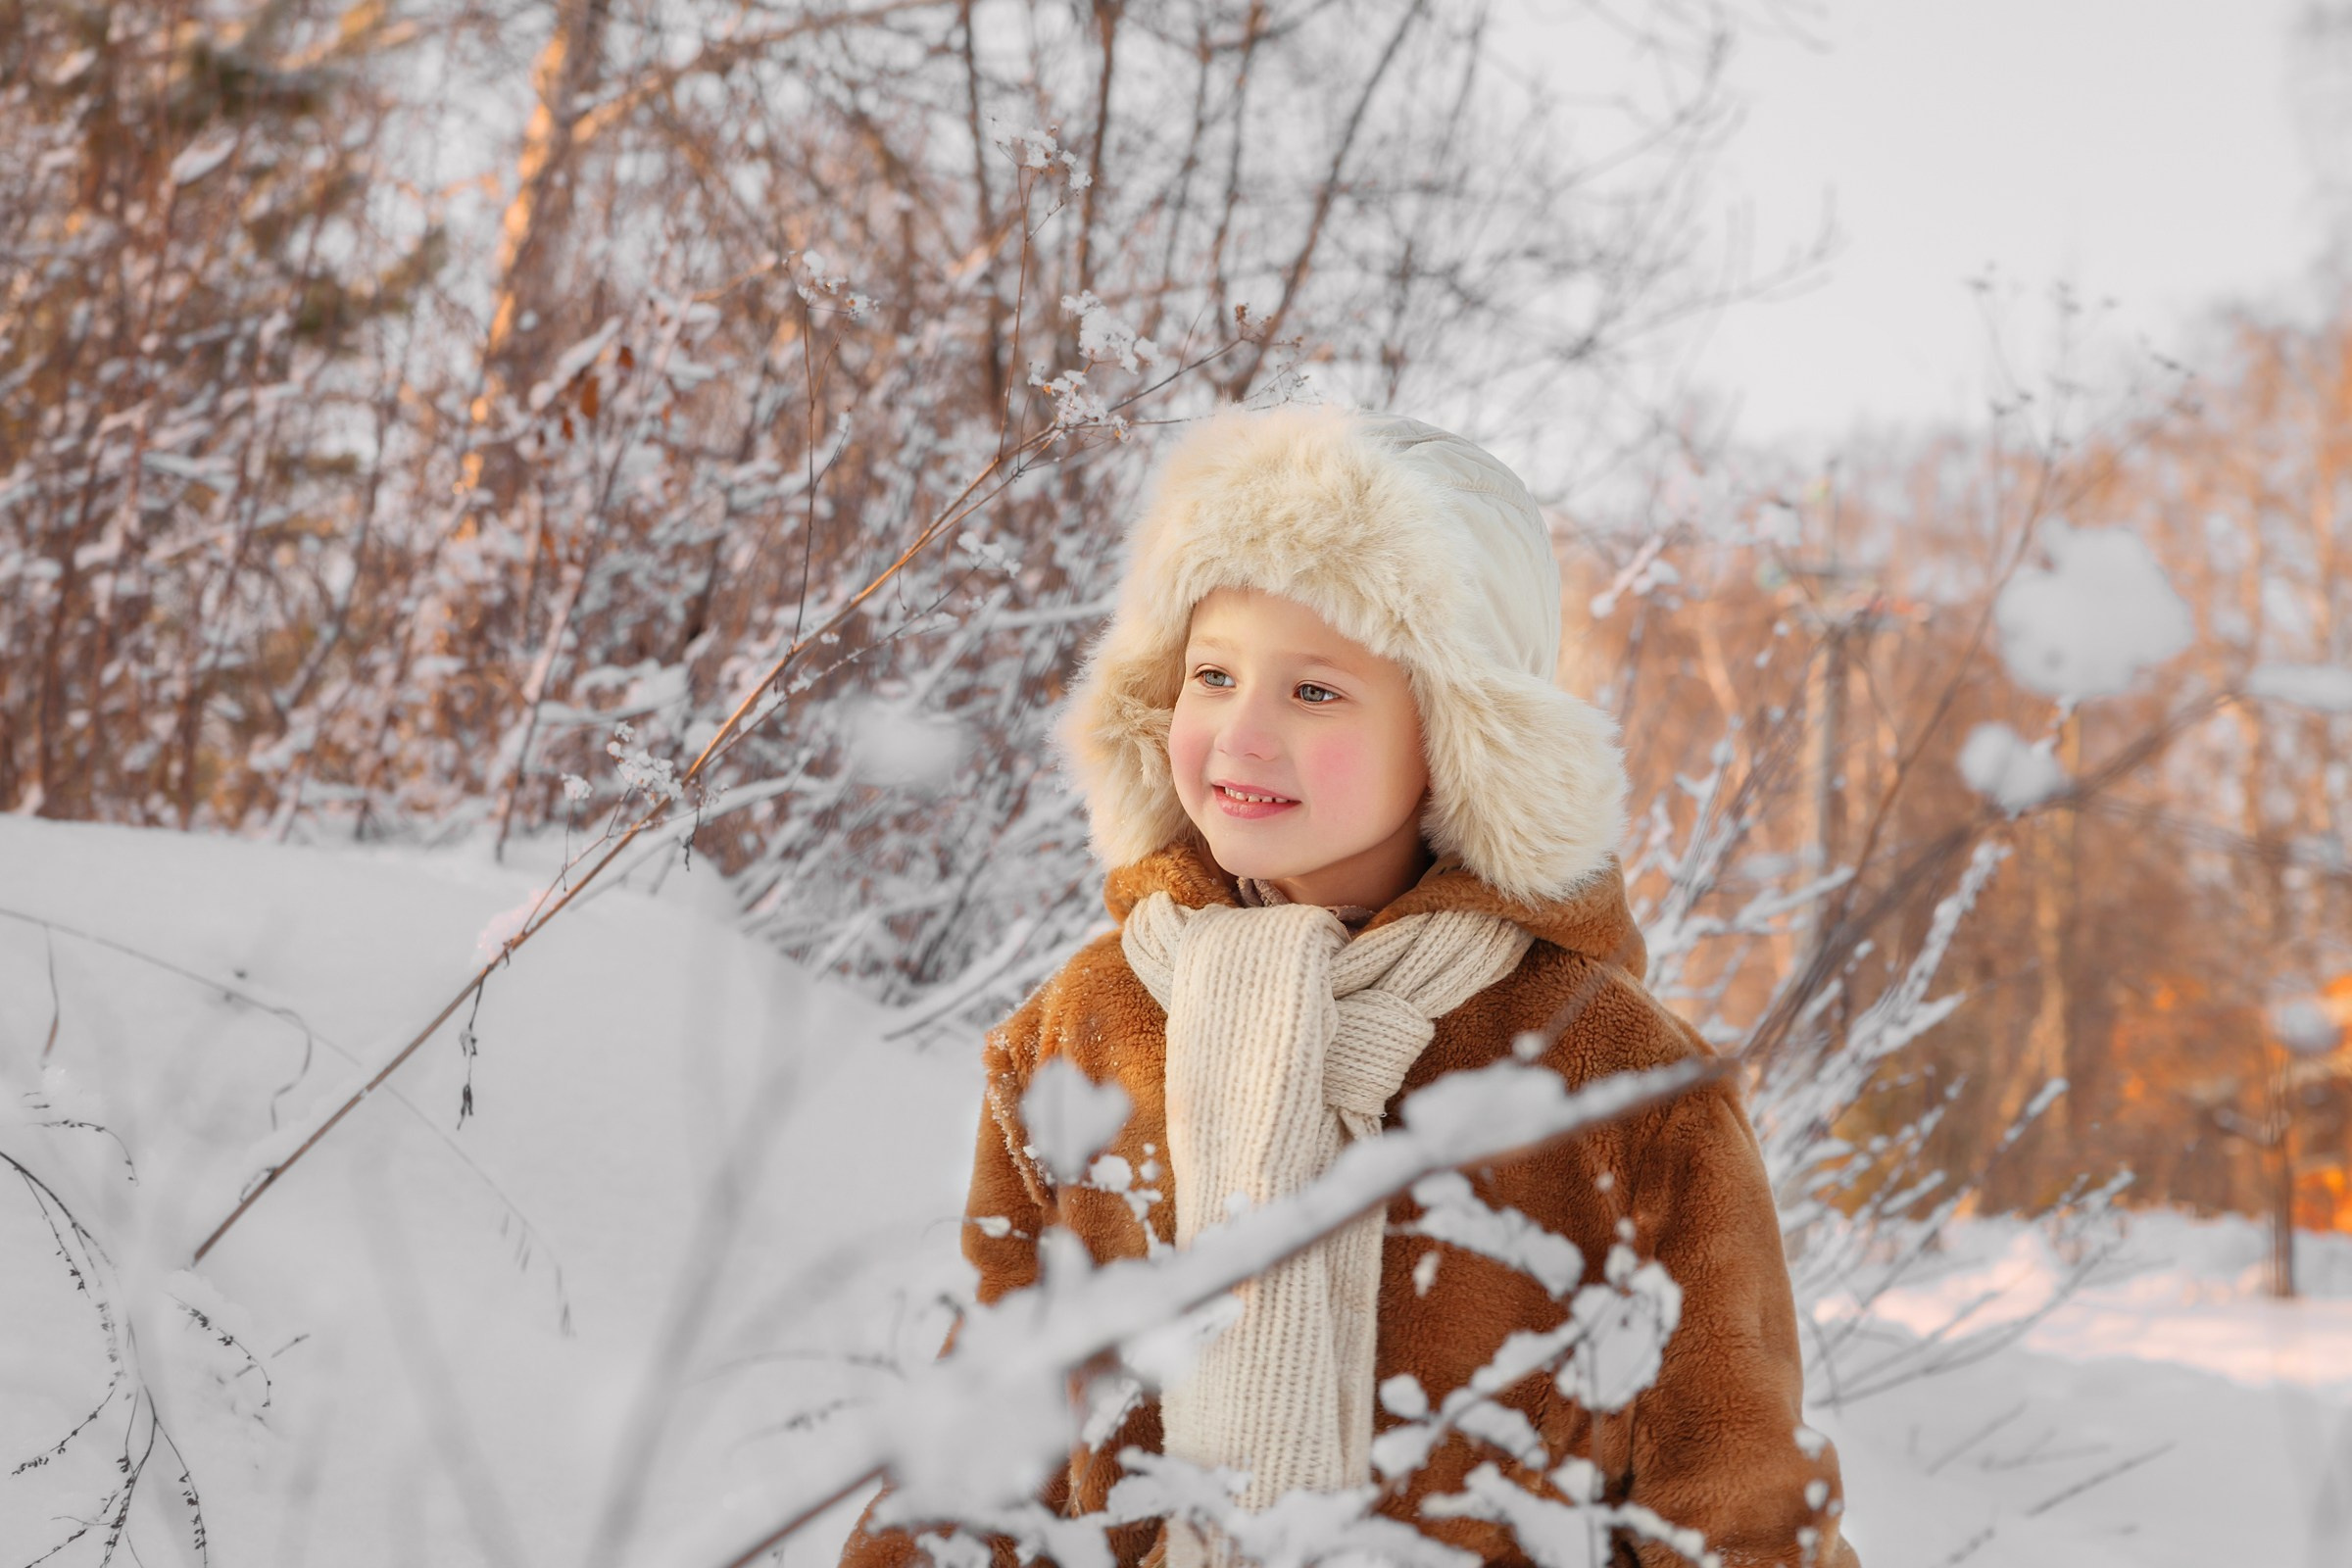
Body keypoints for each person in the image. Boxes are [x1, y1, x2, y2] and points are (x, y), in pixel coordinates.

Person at [838, 403, 1861, 1568]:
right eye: (1212, 674)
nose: (1240, 735)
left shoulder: (1616, 1078)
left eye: (1314, 692)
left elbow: (1740, 1507)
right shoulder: (1089, 1029)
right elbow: (978, 1461)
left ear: (1460, 731)